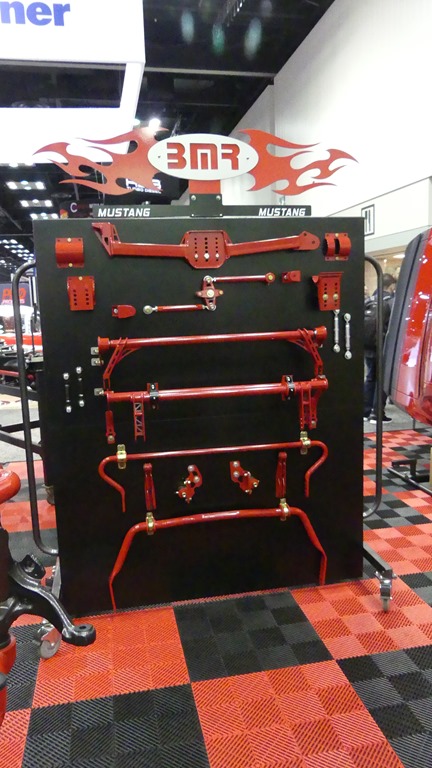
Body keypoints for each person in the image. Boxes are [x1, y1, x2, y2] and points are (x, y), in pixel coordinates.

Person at [364, 273, 397, 423]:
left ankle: (365, 411)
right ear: (391, 286)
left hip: (368, 345)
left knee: (370, 377)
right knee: (382, 379)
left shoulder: (370, 299)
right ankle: (377, 414)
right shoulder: (391, 302)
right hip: (383, 346)